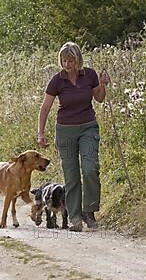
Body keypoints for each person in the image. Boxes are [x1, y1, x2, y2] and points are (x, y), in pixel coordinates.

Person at [37, 42, 110, 232]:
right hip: (65, 130)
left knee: (90, 168)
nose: (67, 64)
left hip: (88, 127)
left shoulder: (89, 75)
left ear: (78, 60)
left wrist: (102, 84)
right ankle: (75, 217)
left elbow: (100, 98)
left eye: (70, 60)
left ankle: (89, 211)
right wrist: (41, 133)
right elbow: (45, 107)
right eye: (63, 60)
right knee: (72, 176)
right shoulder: (57, 80)